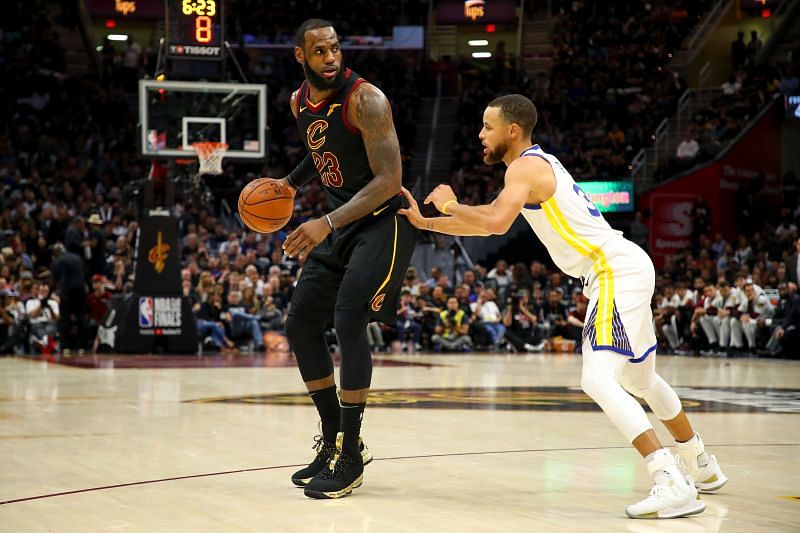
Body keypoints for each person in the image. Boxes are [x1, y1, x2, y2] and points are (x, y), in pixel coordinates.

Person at [399, 94, 727, 519]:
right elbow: (489, 219)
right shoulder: (535, 166)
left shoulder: (524, 167)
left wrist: (447, 204)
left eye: (487, 127)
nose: (480, 135)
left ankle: (669, 478)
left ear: (512, 130)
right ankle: (700, 463)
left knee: (597, 378)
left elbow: (495, 221)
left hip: (612, 270)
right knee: (641, 379)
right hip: (625, 265)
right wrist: (427, 222)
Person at [269, 19, 417, 499]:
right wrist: (292, 183)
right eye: (320, 51)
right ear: (301, 56)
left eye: (335, 48)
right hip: (343, 223)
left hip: (385, 221)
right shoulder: (298, 103)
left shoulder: (365, 99)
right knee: (299, 325)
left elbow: (389, 179)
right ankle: (333, 437)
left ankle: (350, 452)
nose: (330, 57)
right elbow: (322, 150)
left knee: (349, 318)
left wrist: (325, 223)